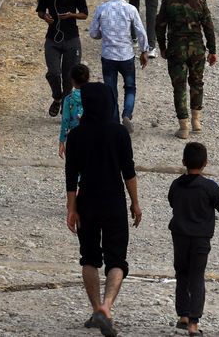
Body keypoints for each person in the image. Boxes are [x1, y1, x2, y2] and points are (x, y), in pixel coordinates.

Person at [64, 82, 141, 337]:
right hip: (114, 202)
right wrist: (136, 203)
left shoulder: (75, 135)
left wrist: (71, 210)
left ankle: (96, 308)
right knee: (116, 258)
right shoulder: (119, 133)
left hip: (87, 202)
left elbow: (70, 176)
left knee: (89, 258)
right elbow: (128, 171)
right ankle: (107, 308)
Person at [169, 142, 219, 335]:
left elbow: (171, 202)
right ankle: (194, 323)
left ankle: (183, 316)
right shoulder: (209, 187)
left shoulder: (176, 185)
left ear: (184, 161)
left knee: (182, 274)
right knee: (197, 276)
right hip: (200, 239)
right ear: (205, 163)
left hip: (180, 237)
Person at [156, 0, 217, 139]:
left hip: (176, 49)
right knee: (197, 82)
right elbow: (209, 28)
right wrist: (212, 50)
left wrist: (162, 47)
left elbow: (159, 27)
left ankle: (183, 126)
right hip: (197, 48)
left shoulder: (168, 2)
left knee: (179, 86)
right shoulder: (199, 2)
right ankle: (196, 120)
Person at [89, 0, 149, 131]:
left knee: (110, 91)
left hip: (108, 56)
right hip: (126, 56)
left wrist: (104, 34)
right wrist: (144, 51)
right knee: (130, 87)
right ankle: (127, 115)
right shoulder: (130, 9)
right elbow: (141, 31)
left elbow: (93, 33)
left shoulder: (101, 9)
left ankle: (114, 123)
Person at [37, 0, 88, 117]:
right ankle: (57, 96)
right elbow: (40, 11)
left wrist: (72, 15)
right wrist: (45, 17)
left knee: (69, 75)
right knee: (53, 72)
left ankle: (65, 106)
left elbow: (84, 14)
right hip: (52, 38)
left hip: (72, 38)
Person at [58, 64, 90, 159]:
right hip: (91, 136)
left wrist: (62, 141)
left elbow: (65, 120)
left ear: (72, 80)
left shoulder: (69, 99)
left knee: (74, 168)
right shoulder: (93, 97)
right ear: (88, 79)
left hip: (74, 137)